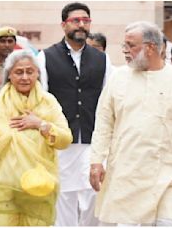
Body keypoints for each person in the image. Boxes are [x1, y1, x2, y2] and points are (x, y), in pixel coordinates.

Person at [89, 21, 172, 226]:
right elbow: (104, 124)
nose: (125, 50)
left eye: (130, 45)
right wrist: (96, 161)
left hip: (168, 174)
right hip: (126, 175)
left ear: (150, 47)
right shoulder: (118, 78)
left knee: (170, 221)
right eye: (124, 45)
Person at [0, 50, 72, 226]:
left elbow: (65, 139)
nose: (24, 77)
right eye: (18, 72)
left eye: (30, 72)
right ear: (9, 75)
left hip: (37, 189)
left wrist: (41, 125)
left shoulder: (48, 102)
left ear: (38, 74)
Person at [37, 2, 110, 226]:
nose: (81, 25)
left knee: (94, 195)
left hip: (92, 138)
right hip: (61, 141)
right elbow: (42, 99)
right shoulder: (45, 57)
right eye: (75, 20)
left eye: (85, 21)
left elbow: (108, 101)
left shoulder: (102, 60)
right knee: (63, 197)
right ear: (63, 25)